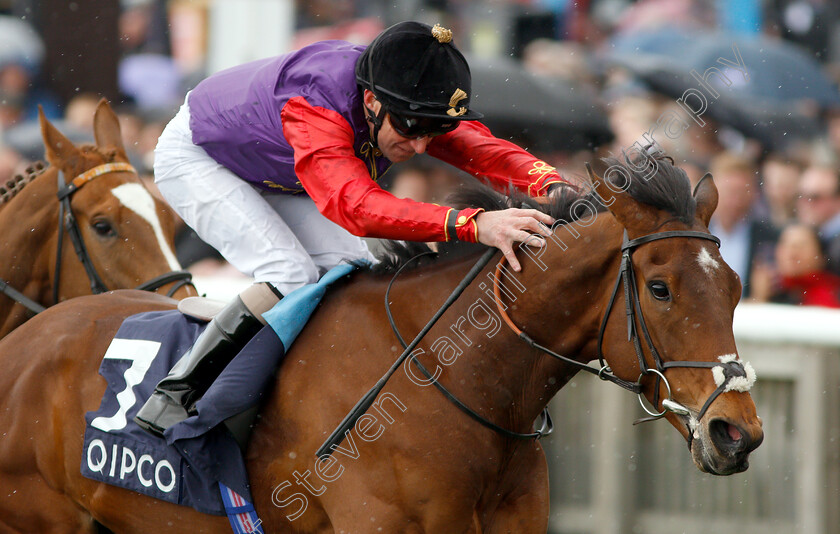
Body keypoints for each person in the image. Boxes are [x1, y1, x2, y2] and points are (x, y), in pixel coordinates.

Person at [135, 21, 565, 437]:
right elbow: (356, 207)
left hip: (280, 169)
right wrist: (472, 224)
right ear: (373, 102)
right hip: (201, 158)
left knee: (354, 269)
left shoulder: (405, 102)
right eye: (411, 128)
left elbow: (484, 151)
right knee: (290, 271)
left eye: (434, 131)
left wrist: (557, 186)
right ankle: (178, 393)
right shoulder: (316, 106)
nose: (419, 147)